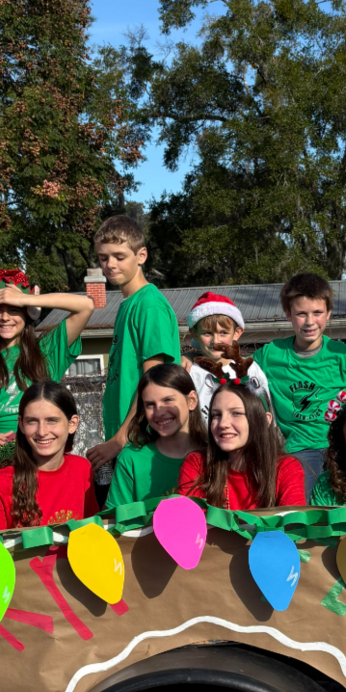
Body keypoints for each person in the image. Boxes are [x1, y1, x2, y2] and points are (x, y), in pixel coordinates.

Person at [252, 273, 346, 497]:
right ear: (288, 315)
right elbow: (234, 371)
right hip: (301, 449)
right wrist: (193, 358)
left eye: (317, 313)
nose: (310, 321)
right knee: (304, 504)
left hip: (342, 445)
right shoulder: (270, 354)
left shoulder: (343, 355)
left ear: (328, 313)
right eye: (301, 314)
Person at [0, 269, 93, 482]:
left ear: (27, 313)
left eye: (14, 309)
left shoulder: (47, 351)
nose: (5, 317)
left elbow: (86, 306)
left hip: (43, 450)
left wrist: (27, 300)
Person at [87, 215, 181, 469]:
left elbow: (154, 382)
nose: (110, 265)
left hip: (143, 441)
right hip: (128, 439)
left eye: (119, 256)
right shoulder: (127, 305)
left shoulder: (149, 305)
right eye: (103, 258)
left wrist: (121, 438)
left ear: (141, 256)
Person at [0, 382, 97, 531]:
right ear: (21, 425)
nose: (42, 432)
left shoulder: (82, 469)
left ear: (72, 424)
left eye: (52, 420)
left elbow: (92, 532)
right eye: (32, 421)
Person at [177, 381, 305, 510]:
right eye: (216, 415)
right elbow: (187, 518)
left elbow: (293, 520)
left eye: (236, 413)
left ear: (265, 420)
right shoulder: (197, 463)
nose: (223, 424)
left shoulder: (286, 468)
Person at [106, 364, 207, 507]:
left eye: (168, 400)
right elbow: (116, 517)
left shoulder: (216, 456)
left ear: (191, 401)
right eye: (150, 405)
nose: (159, 412)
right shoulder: (131, 460)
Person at [183, 291, 271, 420]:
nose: (216, 340)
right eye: (207, 333)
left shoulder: (250, 369)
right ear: (195, 334)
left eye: (223, 333)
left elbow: (265, 410)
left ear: (236, 333)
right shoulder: (189, 371)